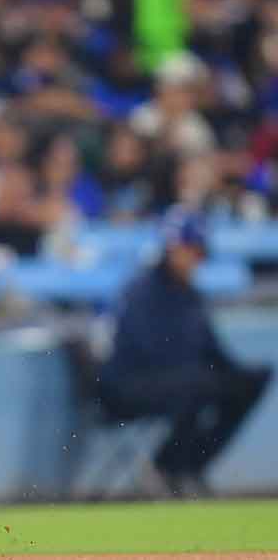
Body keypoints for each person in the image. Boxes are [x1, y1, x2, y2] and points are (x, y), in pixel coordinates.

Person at [98, 207, 273, 497]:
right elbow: (148, 351)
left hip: (182, 380)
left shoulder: (190, 293)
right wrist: (204, 372)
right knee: (196, 385)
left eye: (196, 249)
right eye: (185, 248)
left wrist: (238, 375)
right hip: (128, 385)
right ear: (170, 248)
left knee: (246, 383)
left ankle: (189, 466)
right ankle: (165, 467)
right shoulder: (142, 291)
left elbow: (211, 349)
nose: (191, 257)